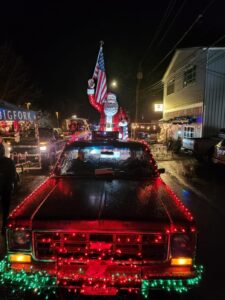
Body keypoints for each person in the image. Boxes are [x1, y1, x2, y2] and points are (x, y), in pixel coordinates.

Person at [0, 143, 17, 235]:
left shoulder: (9, 162)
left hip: (5, 188)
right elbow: (13, 176)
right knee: (5, 209)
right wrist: (11, 185)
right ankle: (4, 227)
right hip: (6, 188)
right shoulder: (9, 161)